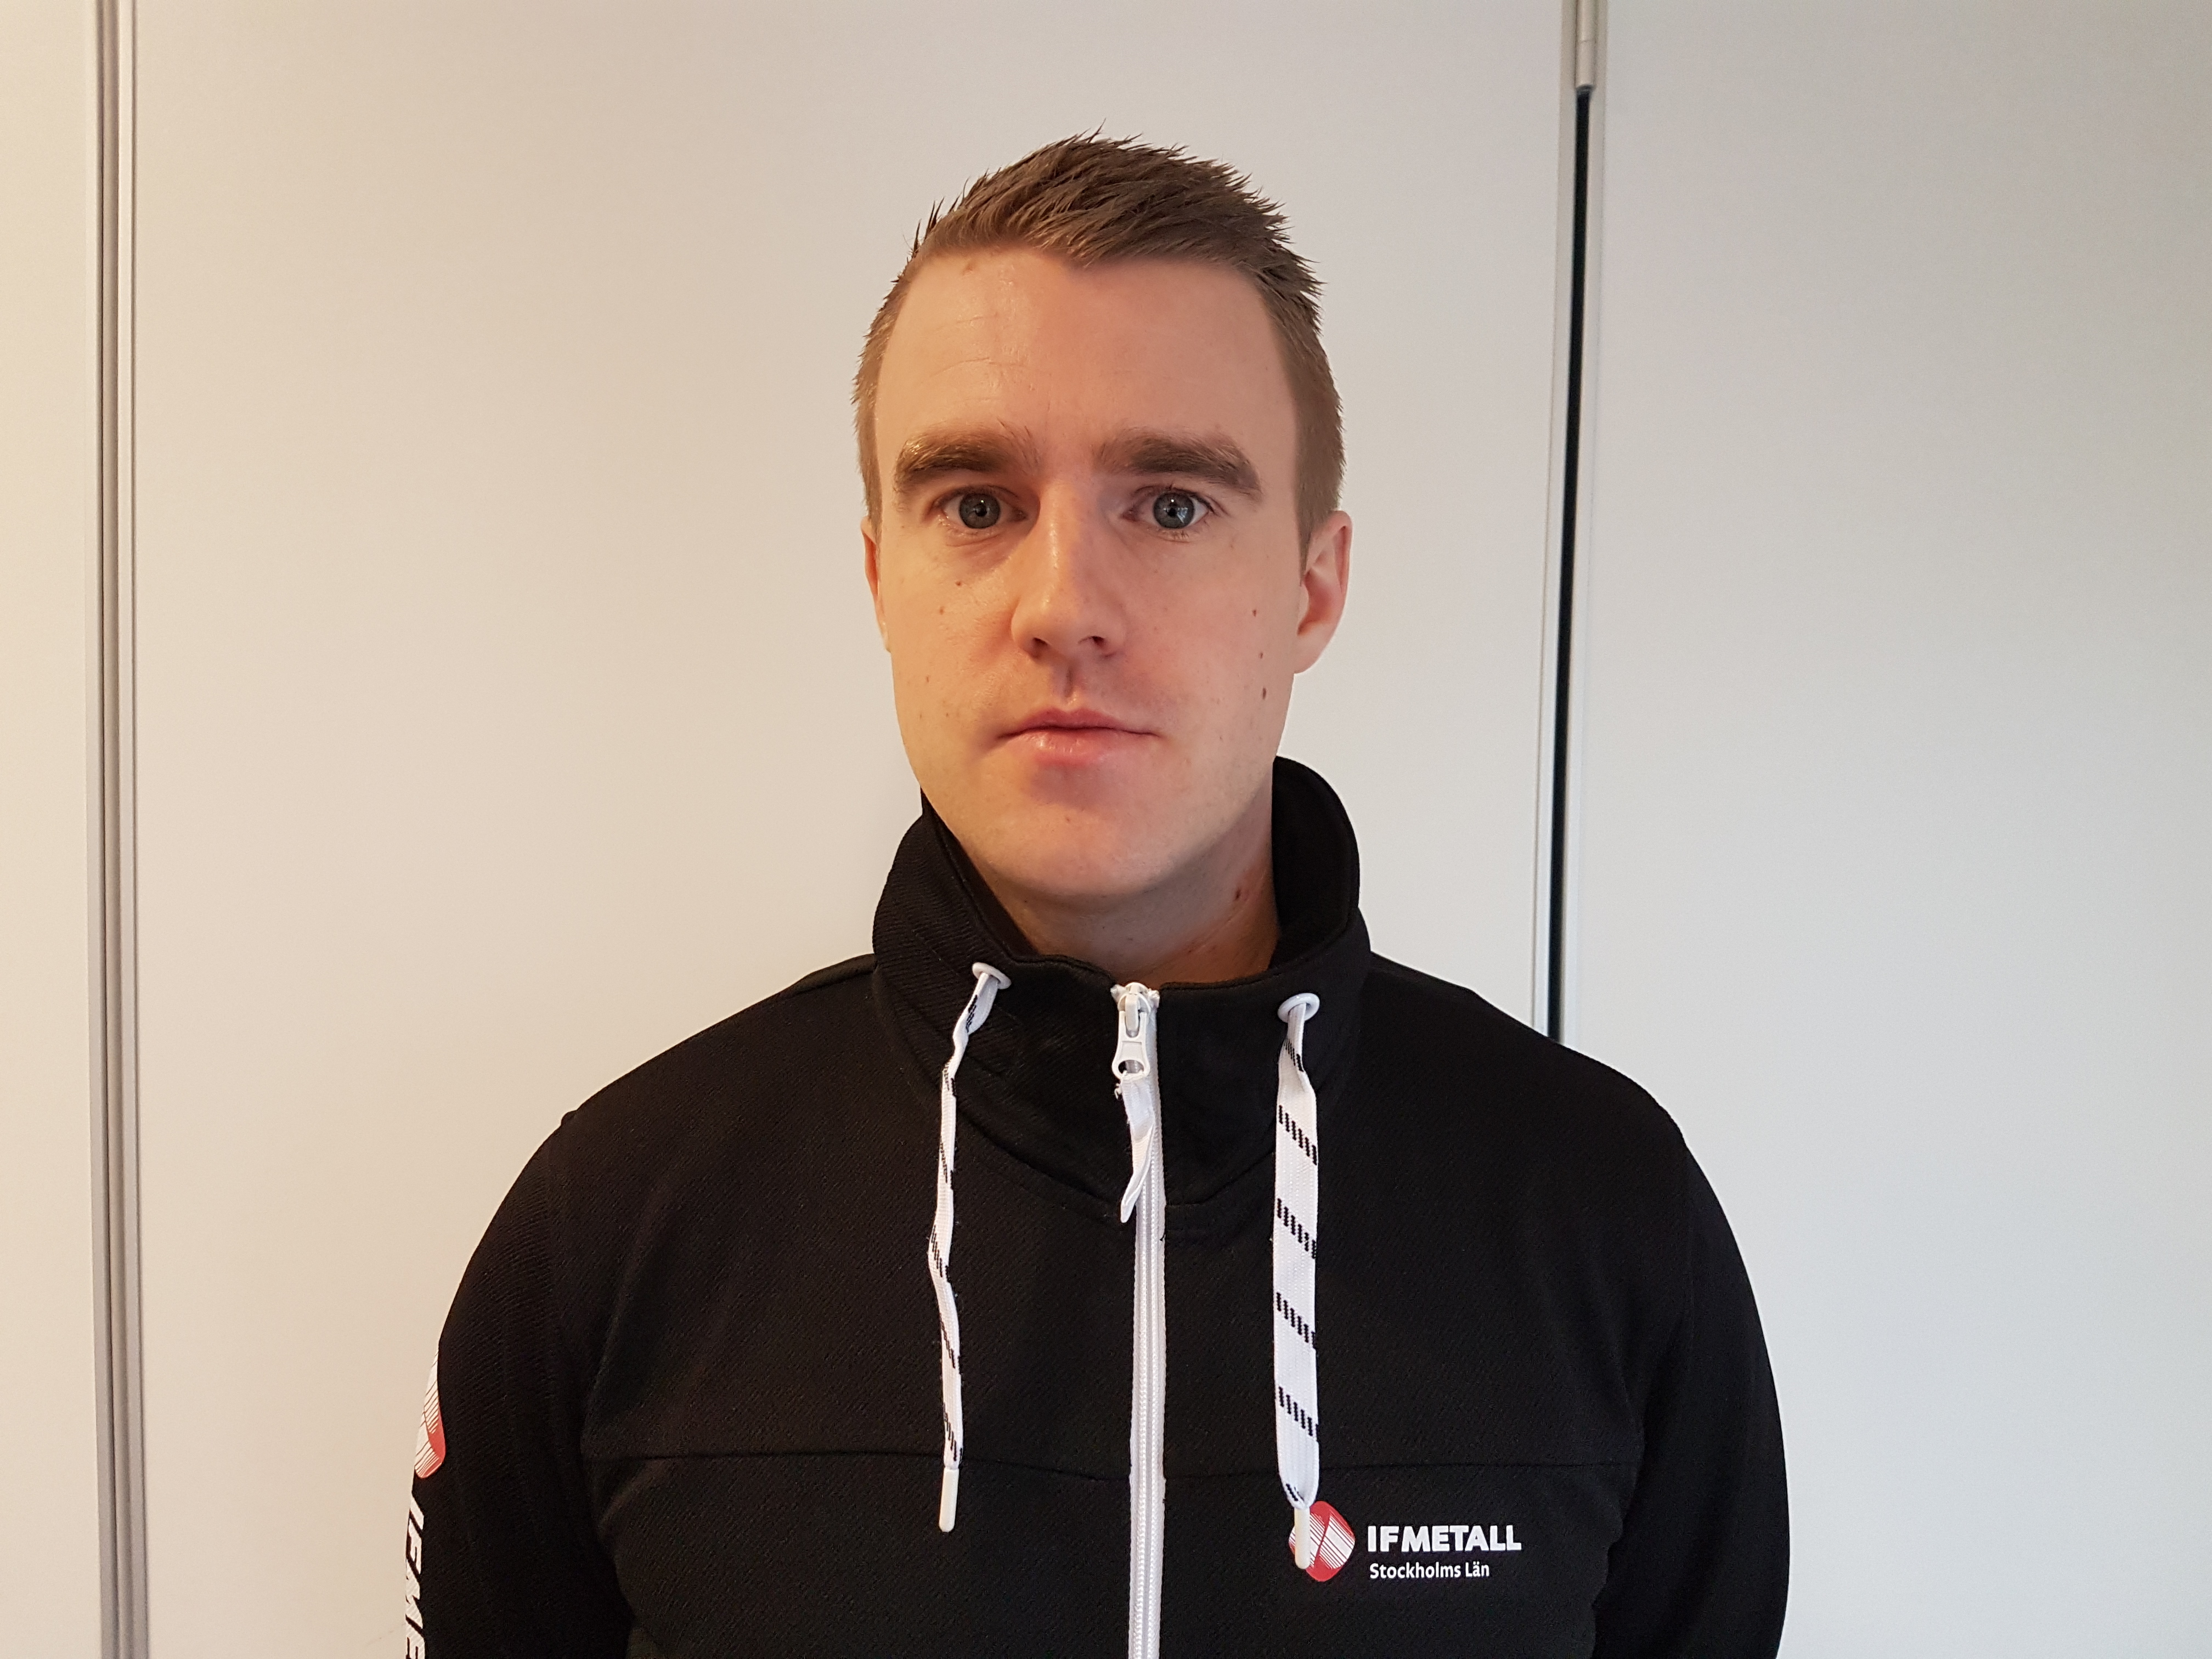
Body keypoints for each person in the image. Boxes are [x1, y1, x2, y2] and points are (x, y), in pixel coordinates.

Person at [402, 135, 1787, 1658]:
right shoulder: (616, 1227)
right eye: (976, 504)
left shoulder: (1605, 1214)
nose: (1063, 606)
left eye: (1173, 505)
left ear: (1315, 585)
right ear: (880, 579)